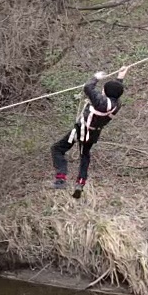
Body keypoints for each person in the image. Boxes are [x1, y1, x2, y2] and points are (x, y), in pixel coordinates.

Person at [50, 65, 129, 199]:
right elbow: (114, 92)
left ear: (105, 92)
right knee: (84, 155)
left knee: (57, 149)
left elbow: (88, 88)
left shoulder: (100, 101)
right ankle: (80, 183)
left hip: (81, 129)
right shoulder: (117, 104)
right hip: (93, 134)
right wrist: (120, 77)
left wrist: (96, 78)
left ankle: (61, 178)